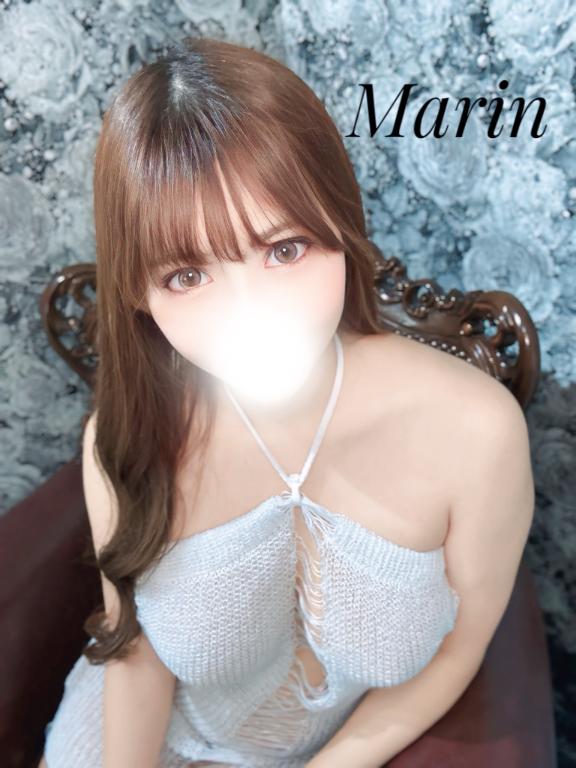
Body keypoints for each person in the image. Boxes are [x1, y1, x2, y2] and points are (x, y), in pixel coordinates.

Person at [40, 35, 535, 768]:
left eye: (284, 249)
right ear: (139, 295)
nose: (251, 313)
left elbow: (459, 651)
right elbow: (133, 655)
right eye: (186, 276)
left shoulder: (475, 430)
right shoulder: (127, 435)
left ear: (341, 225)